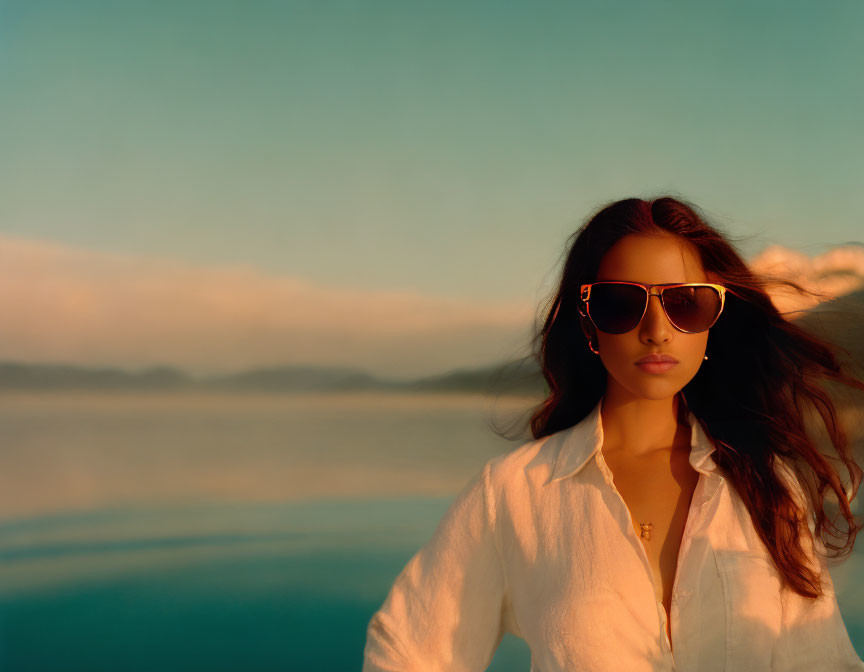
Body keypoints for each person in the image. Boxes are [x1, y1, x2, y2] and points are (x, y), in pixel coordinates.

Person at [362, 196, 864, 671]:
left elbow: (820, 662)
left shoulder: (767, 487)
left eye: (686, 304)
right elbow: (408, 649)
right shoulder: (514, 494)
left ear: (715, 319)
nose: (656, 329)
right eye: (620, 304)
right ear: (588, 323)